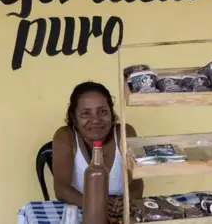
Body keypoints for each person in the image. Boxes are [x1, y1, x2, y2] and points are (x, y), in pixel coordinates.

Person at [52, 81, 144, 215]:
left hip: (119, 214)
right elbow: (61, 189)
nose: (96, 120)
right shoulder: (66, 136)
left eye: (102, 111)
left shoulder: (124, 133)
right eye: (85, 113)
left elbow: (137, 184)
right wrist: (97, 205)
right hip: (81, 213)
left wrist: (127, 201)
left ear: (111, 113)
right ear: (74, 117)